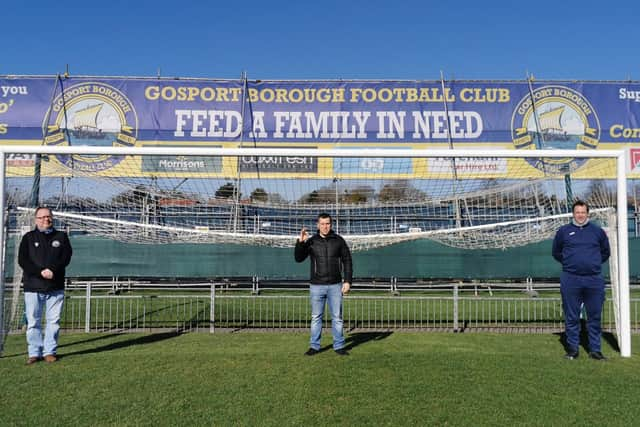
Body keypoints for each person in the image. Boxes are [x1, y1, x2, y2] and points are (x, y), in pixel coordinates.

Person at [552, 200, 610, 360]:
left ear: (588, 214)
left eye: (583, 212)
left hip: (593, 280)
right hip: (571, 279)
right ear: (573, 214)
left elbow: (606, 252)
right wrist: (572, 264)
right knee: (571, 316)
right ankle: (572, 350)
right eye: (577, 212)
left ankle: (595, 351)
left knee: (595, 316)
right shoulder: (563, 231)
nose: (580, 215)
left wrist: (592, 264)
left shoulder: (597, 231)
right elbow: (556, 252)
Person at [19, 207, 73, 364]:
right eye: (42, 217)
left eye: (48, 216)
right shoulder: (28, 238)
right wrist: (40, 272)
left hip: (55, 287)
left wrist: (52, 270)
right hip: (33, 286)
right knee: (33, 322)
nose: (46, 220)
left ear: (52, 218)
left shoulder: (61, 237)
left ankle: (50, 351)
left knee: (53, 321)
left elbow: (66, 257)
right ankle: (34, 353)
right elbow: (23, 260)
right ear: (36, 219)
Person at [295, 213, 352, 356]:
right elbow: (298, 258)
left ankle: (339, 346)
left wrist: (348, 281)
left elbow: (347, 261)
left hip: (335, 285)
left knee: (337, 317)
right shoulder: (312, 241)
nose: (325, 226)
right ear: (317, 225)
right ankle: (314, 346)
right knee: (316, 317)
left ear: (331, 224)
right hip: (316, 285)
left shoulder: (339, 241)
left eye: (327, 224)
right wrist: (300, 243)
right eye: (322, 224)